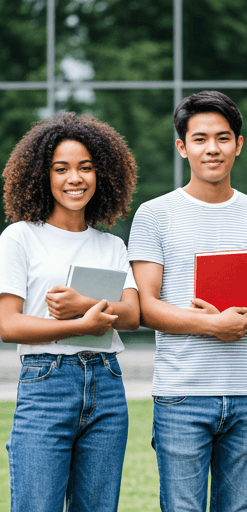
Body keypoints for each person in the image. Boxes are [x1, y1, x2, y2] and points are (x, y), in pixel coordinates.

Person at [128, 90, 247, 512]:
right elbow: (146, 305)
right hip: (181, 393)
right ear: (182, 147)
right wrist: (212, 325)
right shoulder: (154, 214)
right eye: (199, 139)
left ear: (239, 144)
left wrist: (245, 323)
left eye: (222, 138)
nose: (212, 148)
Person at [0, 112, 140, 512]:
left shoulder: (111, 245)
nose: (74, 178)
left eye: (86, 168)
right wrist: (82, 324)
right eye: (61, 169)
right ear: (42, 176)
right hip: (46, 384)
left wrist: (84, 307)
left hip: (107, 382)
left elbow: (131, 316)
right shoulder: (21, 237)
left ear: (103, 175)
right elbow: (8, 324)